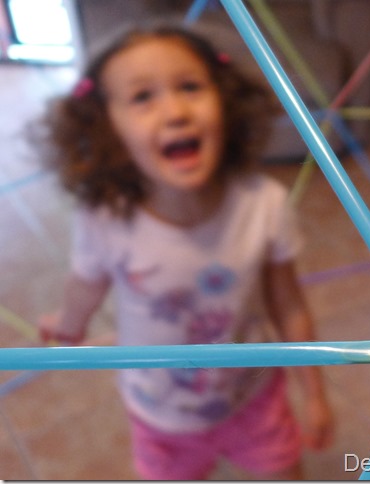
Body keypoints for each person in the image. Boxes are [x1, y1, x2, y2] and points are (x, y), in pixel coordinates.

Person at [35, 23, 333, 480]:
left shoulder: (264, 205)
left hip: (253, 399)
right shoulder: (104, 219)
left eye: (190, 87)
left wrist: (313, 393)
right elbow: (85, 283)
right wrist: (68, 323)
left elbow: (289, 305)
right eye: (142, 97)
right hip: (158, 414)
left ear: (225, 100)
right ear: (107, 128)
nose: (175, 111)